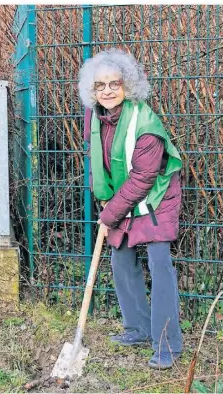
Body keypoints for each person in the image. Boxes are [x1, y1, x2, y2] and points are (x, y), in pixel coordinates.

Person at [78, 48, 183, 369]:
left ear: (128, 86)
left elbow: (143, 176)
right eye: (100, 86)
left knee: (160, 264)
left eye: (115, 84)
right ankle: (136, 327)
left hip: (156, 200)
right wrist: (105, 201)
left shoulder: (145, 122)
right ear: (91, 91)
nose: (107, 91)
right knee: (121, 257)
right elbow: (98, 161)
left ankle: (167, 345)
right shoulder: (95, 117)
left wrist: (110, 214)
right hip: (121, 199)